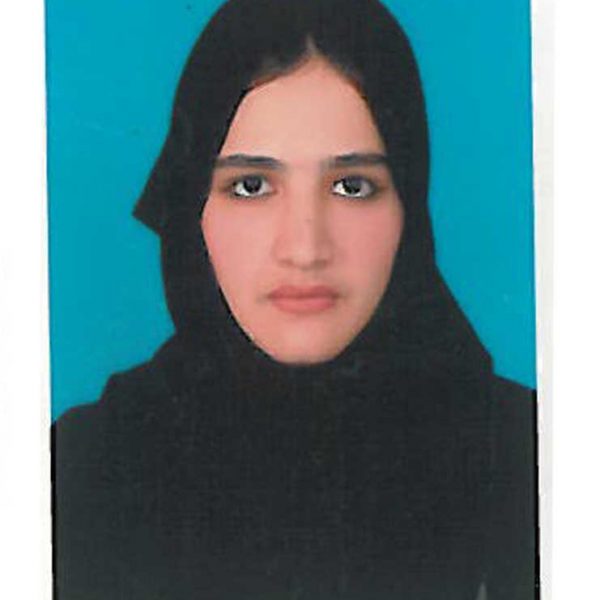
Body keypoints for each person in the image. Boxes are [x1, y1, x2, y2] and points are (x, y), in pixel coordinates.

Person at [53, 0, 538, 598]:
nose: (306, 249)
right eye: (251, 185)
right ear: (191, 212)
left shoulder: (530, 457)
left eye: (352, 186)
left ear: (409, 207)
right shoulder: (81, 471)